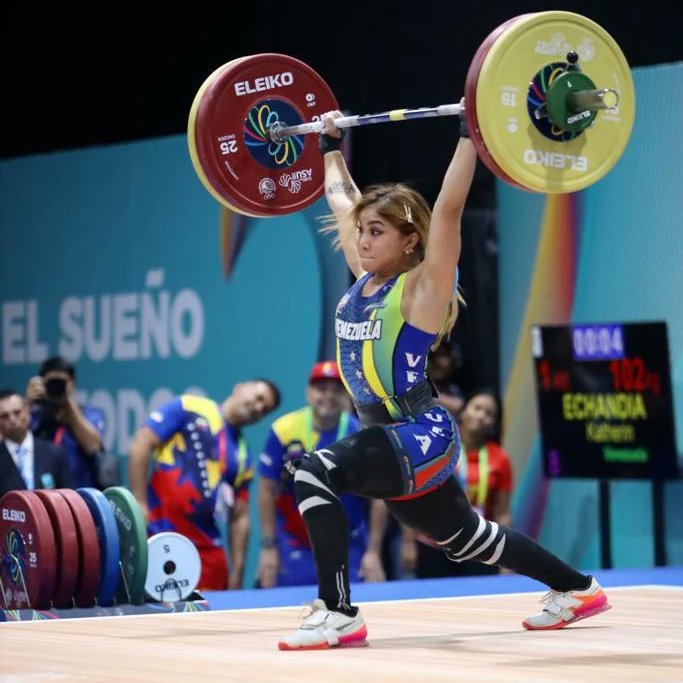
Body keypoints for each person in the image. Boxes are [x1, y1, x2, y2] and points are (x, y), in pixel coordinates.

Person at [277, 104, 610, 650]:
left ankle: (338, 613)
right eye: (361, 231)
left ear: (410, 240)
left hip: (417, 431)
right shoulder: (363, 280)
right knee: (467, 539)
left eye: (376, 231)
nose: (361, 240)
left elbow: (449, 210)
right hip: (385, 435)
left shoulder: (420, 290)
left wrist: (469, 132)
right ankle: (578, 589)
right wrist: (329, 145)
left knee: (314, 472)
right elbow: (340, 197)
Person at [128, 379, 280, 591]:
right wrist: (139, 500)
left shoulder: (244, 454)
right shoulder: (190, 407)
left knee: (213, 615)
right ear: (239, 387)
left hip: (205, 550)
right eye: (258, 398)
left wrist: (237, 571)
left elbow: (240, 516)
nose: (258, 408)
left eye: (265, 410)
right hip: (158, 532)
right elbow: (142, 442)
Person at [257, 360, 386, 588]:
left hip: (349, 543)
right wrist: (269, 547)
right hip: (294, 541)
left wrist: (373, 551)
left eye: (336, 390)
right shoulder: (283, 429)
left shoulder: (361, 435)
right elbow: (267, 489)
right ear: (308, 393)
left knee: (351, 610)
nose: (328, 396)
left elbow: (379, 496)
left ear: (347, 397)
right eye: (321, 389)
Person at [411, 388, 513, 578]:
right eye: (477, 408)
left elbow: (502, 513)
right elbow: (414, 497)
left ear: (493, 424)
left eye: (489, 414)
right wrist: (407, 543)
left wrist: (505, 556)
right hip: (434, 546)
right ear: (463, 411)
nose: (481, 415)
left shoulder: (500, 458)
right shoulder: (438, 446)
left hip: (479, 549)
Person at [26, 356, 107, 489]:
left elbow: (94, 447)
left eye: (62, 382)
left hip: (80, 496)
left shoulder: (89, 414)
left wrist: (69, 405)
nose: (57, 387)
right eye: (51, 383)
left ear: (73, 384)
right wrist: (27, 403)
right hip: (41, 498)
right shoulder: (32, 416)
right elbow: (7, 444)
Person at [0, 389, 75, 497]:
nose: (12, 419)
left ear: (27, 411)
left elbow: (70, 500)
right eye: (4, 416)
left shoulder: (55, 453)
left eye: (17, 412)